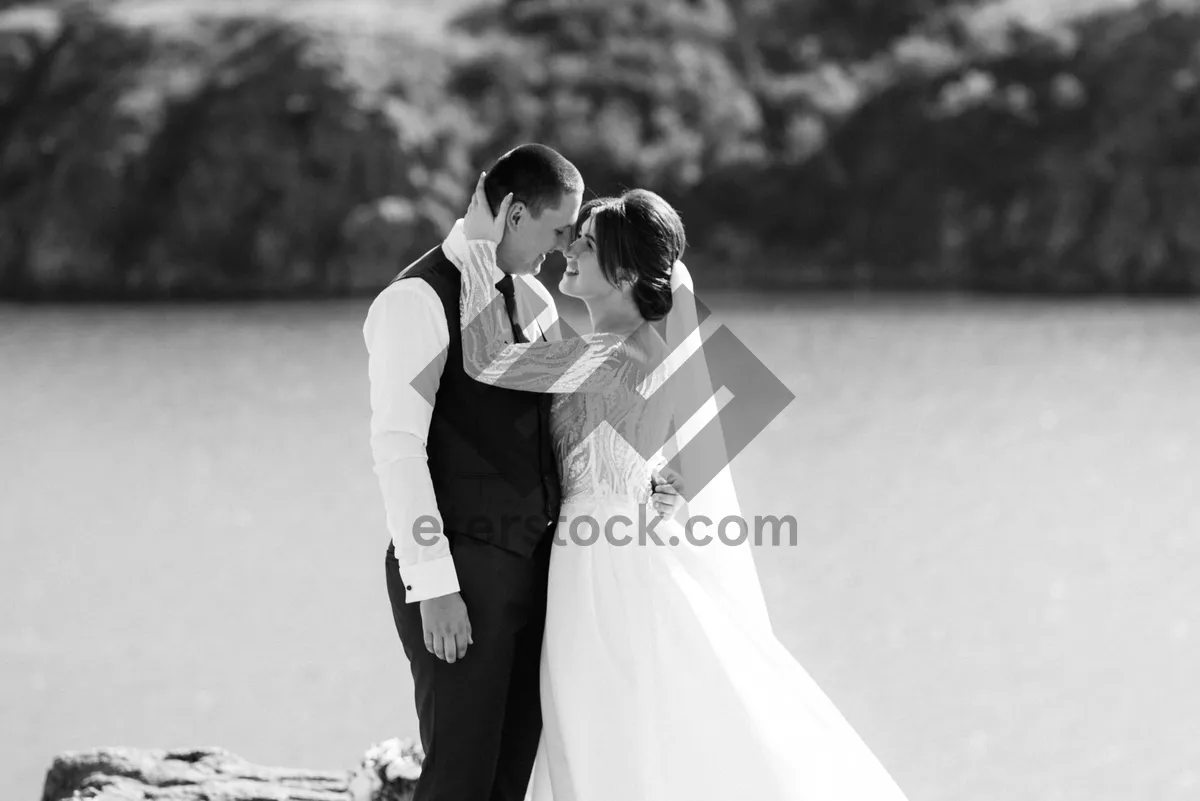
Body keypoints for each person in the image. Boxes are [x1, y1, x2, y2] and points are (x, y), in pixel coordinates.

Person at [447, 173, 913, 800]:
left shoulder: (612, 355)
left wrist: (477, 245)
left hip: (601, 568)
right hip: (605, 551)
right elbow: (740, 396)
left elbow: (488, 360)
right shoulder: (634, 347)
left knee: (604, 731)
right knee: (614, 729)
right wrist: (668, 477)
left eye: (585, 243)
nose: (569, 251)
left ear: (625, 274)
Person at [363, 144, 681, 801]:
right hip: (464, 576)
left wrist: (637, 477)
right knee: (460, 776)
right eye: (560, 229)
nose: (565, 246)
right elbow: (399, 451)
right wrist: (433, 584)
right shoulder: (416, 301)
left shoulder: (535, 299)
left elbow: (576, 418)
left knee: (511, 780)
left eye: (580, 238)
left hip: (547, 580)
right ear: (513, 213)